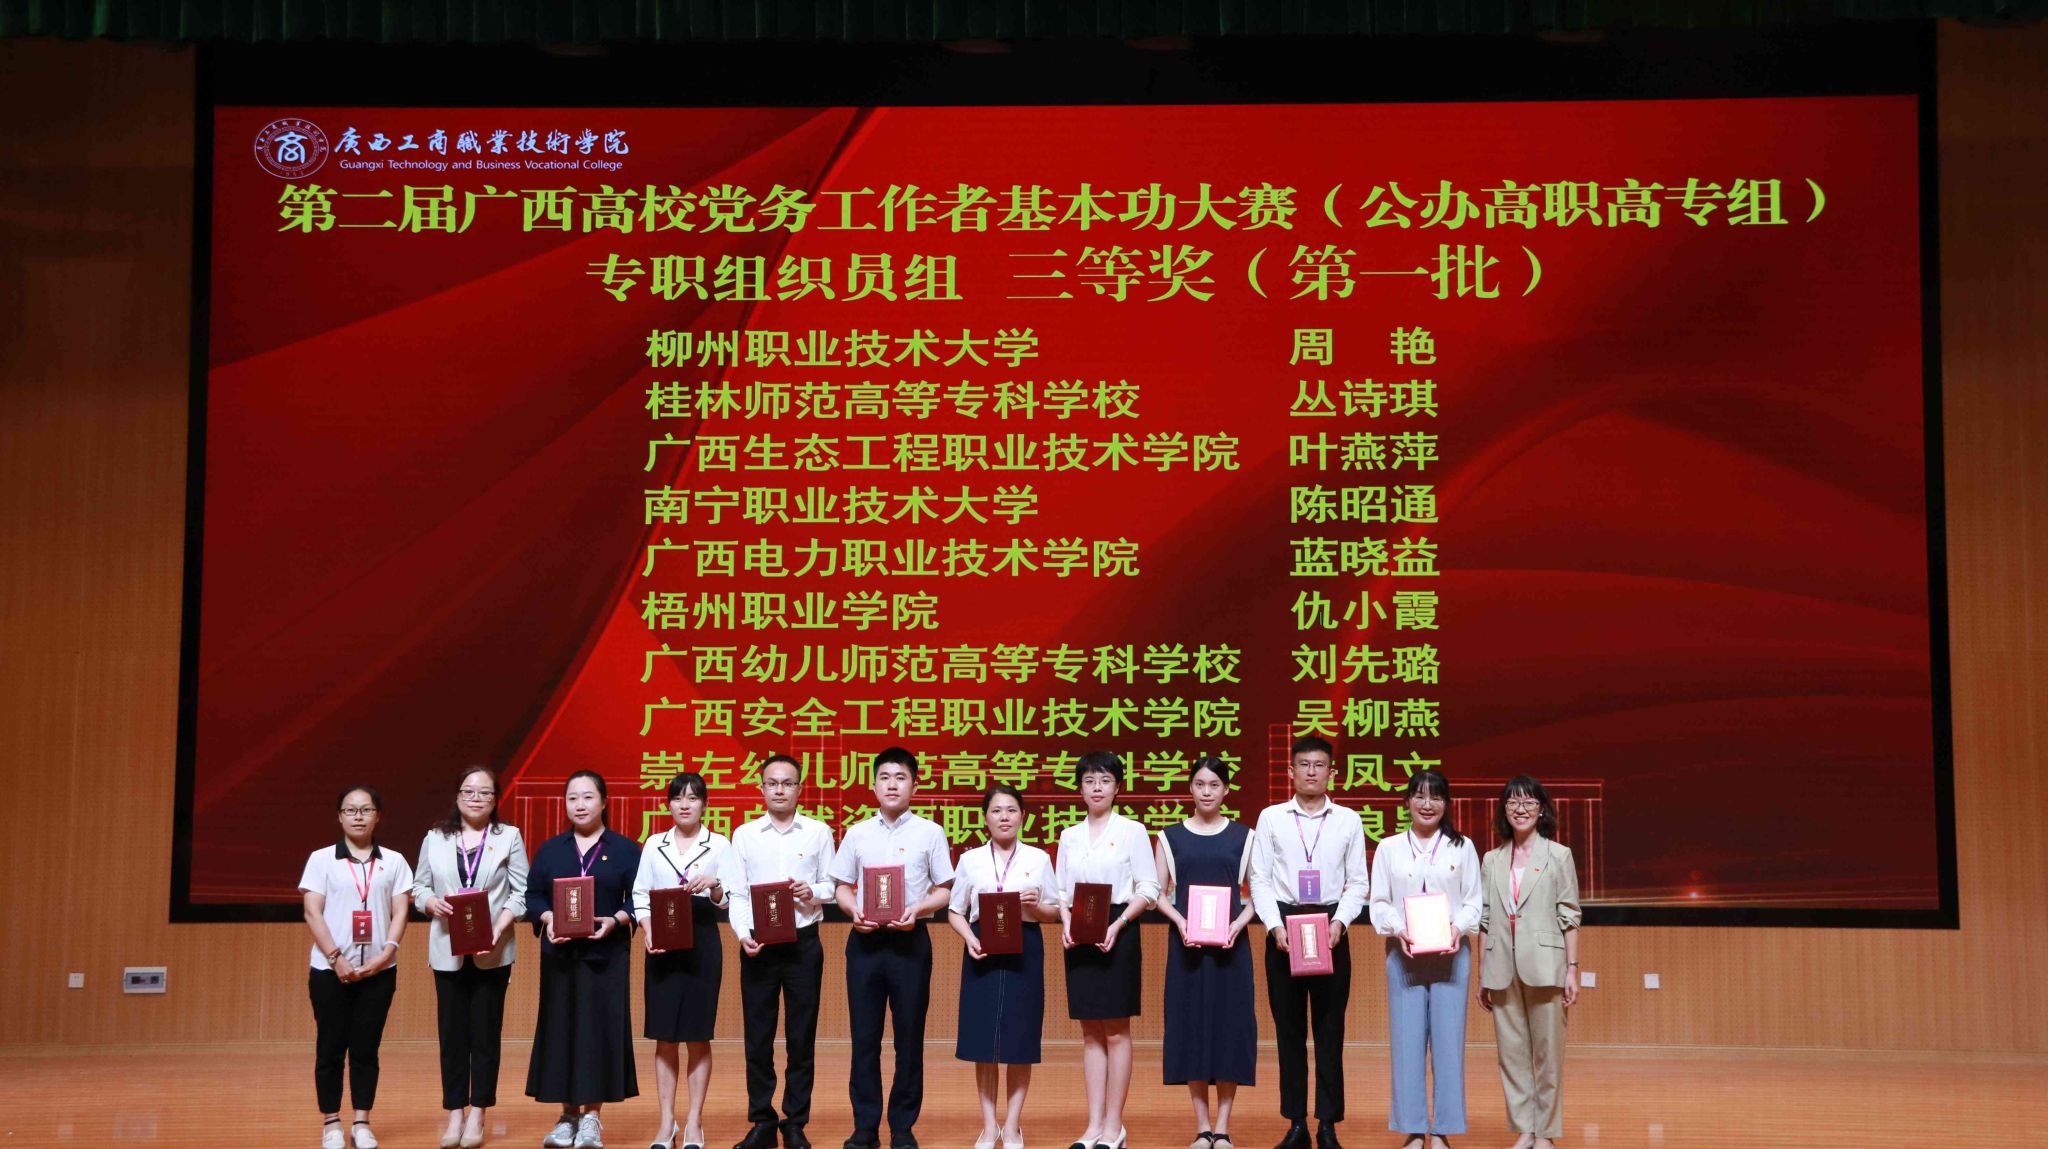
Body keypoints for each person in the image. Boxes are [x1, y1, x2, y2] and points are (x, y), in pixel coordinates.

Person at [1247, 736, 1371, 1149]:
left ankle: (1328, 1124)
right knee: (1289, 1030)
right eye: (1304, 764)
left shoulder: (1348, 820)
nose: (1312, 772)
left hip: (1331, 928)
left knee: (1330, 1030)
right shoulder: (1271, 818)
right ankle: (1296, 1123)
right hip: (1285, 927)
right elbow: (1260, 879)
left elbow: (1358, 881)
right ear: (1291, 772)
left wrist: (1341, 922)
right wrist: (1273, 926)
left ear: (1332, 772)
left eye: (1320, 765)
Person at [831, 747, 956, 1149]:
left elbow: (945, 889)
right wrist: (853, 910)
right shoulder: (857, 833)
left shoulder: (930, 832)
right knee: (864, 1039)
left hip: (910, 943)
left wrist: (918, 909)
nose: (891, 784)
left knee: (909, 1039)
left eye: (900, 777)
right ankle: (865, 1127)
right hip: (865, 943)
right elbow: (841, 886)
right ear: (873, 785)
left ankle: (902, 1126)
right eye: (884, 777)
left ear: (914, 785)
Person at [723, 754, 837, 1149]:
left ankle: (795, 1123)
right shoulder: (745, 835)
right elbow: (738, 892)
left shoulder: (818, 832)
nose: (779, 790)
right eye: (772, 783)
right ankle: (762, 1121)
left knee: (801, 1037)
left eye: (787, 783)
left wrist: (813, 891)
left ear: (799, 789)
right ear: (761, 788)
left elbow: (832, 886)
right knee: (758, 1037)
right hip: (759, 945)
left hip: (804, 944)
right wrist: (743, 934)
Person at [413, 767, 530, 1149]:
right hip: (447, 950)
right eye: (468, 791)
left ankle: (478, 1112)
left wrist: (498, 928)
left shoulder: (508, 836)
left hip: (492, 951)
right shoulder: (435, 837)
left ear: (495, 799)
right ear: (458, 796)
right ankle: (454, 1113)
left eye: (484, 792)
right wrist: (430, 902)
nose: (476, 798)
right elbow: (419, 886)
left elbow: (521, 893)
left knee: (485, 1036)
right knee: (452, 1037)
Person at [527, 771, 643, 1149]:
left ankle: (592, 1117)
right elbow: (533, 896)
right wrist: (548, 918)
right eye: (573, 798)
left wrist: (617, 920)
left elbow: (638, 897)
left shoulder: (625, 849)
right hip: (560, 955)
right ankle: (567, 1116)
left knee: (598, 1033)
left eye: (588, 797)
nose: (580, 805)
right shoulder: (551, 850)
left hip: (605, 956)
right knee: (561, 1030)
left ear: (604, 802)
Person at [1368, 771, 1482, 1149]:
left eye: (1435, 797)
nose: (1427, 804)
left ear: (1446, 803)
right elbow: (1379, 902)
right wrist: (1398, 929)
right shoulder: (1389, 848)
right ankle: (1414, 1129)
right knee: (1407, 1044)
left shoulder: (1462, 847)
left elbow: (1473, 901)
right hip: (1404, 955)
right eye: (1419, 796)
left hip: (1452, 954)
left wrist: (1458, 928)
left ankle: (1444, 1129)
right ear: (1407, 802)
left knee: (1449, 1045)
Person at [947, 784, 1061, 1149]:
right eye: (996, 811)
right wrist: (969, 938)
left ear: (1023, 816)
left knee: (1019, 1041)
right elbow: (955, 910)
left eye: (1011, 810)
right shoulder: (970, 860)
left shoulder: (1039, 858)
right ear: (985, 818)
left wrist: (1036, 905)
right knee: (984, 1042)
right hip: (982, 947)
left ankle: (1012, 1126)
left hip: (1024, 947)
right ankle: (988, 1125)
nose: (1004, 817)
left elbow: (1053, 912)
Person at [1054, 750, 1160, 1149]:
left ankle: (1115, 1126)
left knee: (1115, 1029)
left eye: (1105, 780)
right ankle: (1093, 1125)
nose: (1096, 788)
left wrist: (1119, 923)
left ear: (1117, 787)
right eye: (1089, 781)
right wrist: (1065, 921)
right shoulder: (1069, 835)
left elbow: (1148, 888)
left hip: (1118, 928)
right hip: (1079, 930)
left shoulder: (1132, 830)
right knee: (1089, 1032)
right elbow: (1060, 891)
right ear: (1080, 789)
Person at [300, 785, 414, 1149]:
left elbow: (401, 911)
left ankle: (362, 1121)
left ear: (378, 816)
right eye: (350, 810)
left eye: (366, 810)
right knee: (330, 1049)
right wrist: (336, 958)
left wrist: (387, 953)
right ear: (339, 817)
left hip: (379, 972)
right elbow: (312, 912)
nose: (358, 816)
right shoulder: (321, 859)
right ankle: (331, 1122)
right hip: (329, 971)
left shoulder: (394, 861)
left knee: (366, 1049)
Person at [1155, 757, 1258, 1149]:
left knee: (1230, 1031)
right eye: (1200, 784)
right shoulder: (1169, 837)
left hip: (1232, 948)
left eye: (1214, 785)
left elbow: (1258, 894)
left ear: (1226, 790)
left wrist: (1236, 925)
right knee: (1191, 1031)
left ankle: (1223, 1127)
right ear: (1190, 789)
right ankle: (1202, 1127)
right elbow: (1157, 894)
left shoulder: (1245, 837)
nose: (1207, 791)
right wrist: (1181, 922)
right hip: (1187, 949)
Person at [1478, 777, 1582, 1149]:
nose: (1520, 809)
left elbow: (1570, 914)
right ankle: (1525, 1129)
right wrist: (1482, 974)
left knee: (1547, 1054)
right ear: (1504, 809)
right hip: (1501, 968)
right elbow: (1485, 919)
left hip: (1546, 966)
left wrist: (1572, 968)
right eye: (1513, 802)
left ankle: (1546, 1132)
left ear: (1541, 810)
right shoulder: (1491, 859)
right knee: (1512, 1055)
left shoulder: (1559, 855)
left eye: (1529, 802)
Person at [632, 772, 732, 1149]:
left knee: (697, 1034)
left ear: (704, 804)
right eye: (677, 798)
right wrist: (648, 930)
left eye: (692, 798)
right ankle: (666, 1124)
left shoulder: (719, 844)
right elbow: (640, 894)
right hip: (662, 941)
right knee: (665, 1037)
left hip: (702, 941)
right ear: (668, 804)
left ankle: (694, 1123)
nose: (685, 804)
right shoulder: (654, 844)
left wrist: (715, 885)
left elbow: (730, 899)